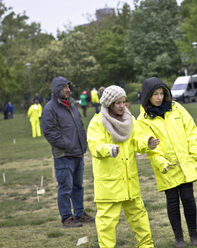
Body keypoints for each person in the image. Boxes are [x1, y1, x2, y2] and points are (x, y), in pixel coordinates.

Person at [87, 85, 157, 248]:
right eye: (118, 103)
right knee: (107, 223)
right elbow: (95, 146)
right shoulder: (97, 122)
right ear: (109, 103)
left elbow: (137, 138)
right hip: (109, 186)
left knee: (139, 216)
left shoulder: (130, 120)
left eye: (123, 102)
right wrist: (109, 149)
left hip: (129, 181)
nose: (122, 106)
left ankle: (147, 245)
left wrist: (147, 142)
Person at [137, 77, 197, 248]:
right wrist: (162, 162)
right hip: (166, 168)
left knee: (189, 199)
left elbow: (191, 129)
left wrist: (194, 153)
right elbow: (150, 146)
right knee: (172, 201)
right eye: (155, 94)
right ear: (147, 96)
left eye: (161, 93)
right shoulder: (143, 119)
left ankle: (194, 234)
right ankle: (178, 238)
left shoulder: (176, 108)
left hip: (185, 163)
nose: (159, 97)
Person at [41, 76, 95, 228]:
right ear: (57, 89)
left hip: (78, 153)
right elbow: (49, 132)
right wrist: (66, 145)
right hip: (64, 156)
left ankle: (79, 213)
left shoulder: (71, 105)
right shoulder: (50, 108)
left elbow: (80, 126)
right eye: (65, 87)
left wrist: (82, 143)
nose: (68, 90)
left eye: (68, 87)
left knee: (78, 186)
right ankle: (67, 217)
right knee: (65, 188)